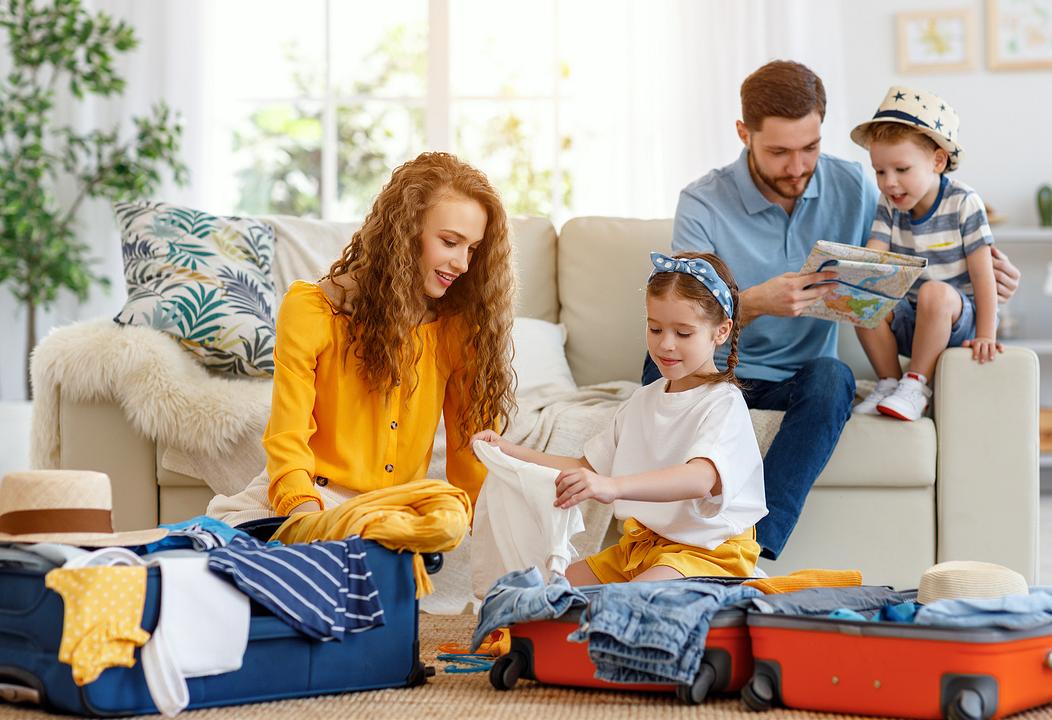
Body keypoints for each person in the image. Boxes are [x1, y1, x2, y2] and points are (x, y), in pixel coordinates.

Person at [646, 60, 1022, 561]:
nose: (798, 167)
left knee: (833, 377)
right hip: (717, 372)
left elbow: (917, 250)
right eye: (779, 151)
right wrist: (755, 303)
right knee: (657, 367)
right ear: (744, 133)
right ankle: (665, 532)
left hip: (798, 377)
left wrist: (989, 281)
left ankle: (750, 547)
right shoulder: (702, 201)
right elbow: (681, 310)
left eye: (811, 148)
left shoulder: (857, 186)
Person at [207, 151, 515, 522]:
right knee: (216, 548)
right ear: (405, 231)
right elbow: (287, 438)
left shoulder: (457, 328)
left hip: (390, 513)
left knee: (447, 517)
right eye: (450, 242)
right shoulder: (311, 309)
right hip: (309, 497)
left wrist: (494, 524)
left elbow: (471, 461)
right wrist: (307, 518)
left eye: (473, 249)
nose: (463, 264)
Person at [474, 252, 766, 584]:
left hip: (709, 552)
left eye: (683, 333)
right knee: (549, 592)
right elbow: (587, 467)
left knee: (624, 605)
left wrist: (613, 486)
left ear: (721, 331)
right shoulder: (642, 401)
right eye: (655, 328)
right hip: (642, 549)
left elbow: (700, 477)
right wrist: (510, 450)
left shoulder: (722, 403)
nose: (666, 344)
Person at [850, 86, 1001, 422]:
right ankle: (889, 383)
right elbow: (875, 258)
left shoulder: (964, 202)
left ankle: (915, 386)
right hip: (910, 319)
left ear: (937, 161)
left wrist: (986, 335)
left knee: (934, 291)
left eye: (901, 170)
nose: (889, 183)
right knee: (862, 294)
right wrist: (852, 280)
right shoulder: (889, 204)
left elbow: (983, 276)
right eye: (880, 171)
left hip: (954, 317)